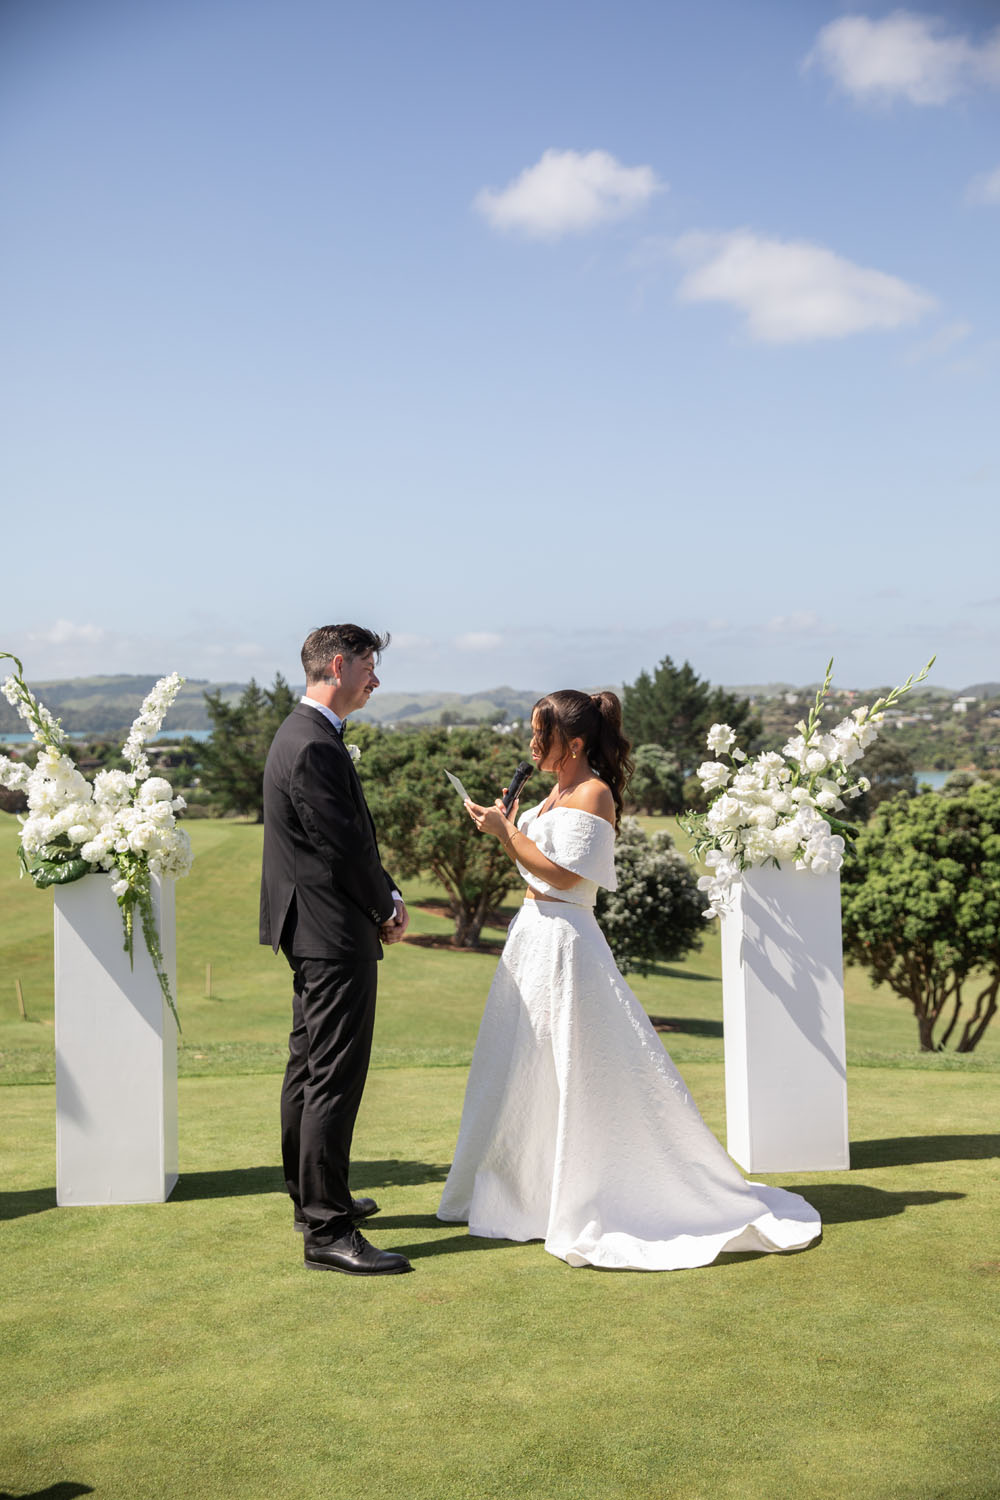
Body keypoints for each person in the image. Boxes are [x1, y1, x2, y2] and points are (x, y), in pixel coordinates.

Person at [437, 689, 821, 1271]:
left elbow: (565, 877)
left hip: (567, 943)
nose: (532, 744)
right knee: (525, 1064)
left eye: (541, 734)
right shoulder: (554, 792)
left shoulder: (593, 793)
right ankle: (527, 1195)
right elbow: (532, 869)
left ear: (576, 743)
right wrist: (510, 826)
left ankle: (591, 1191)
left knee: (574, 1065)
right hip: (532, 938)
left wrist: (505, 833)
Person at [260, 624, 412, 1276]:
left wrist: (384, 890)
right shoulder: (314, 745)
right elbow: (343, 847)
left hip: (312, 927)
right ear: (340, 665)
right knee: (333, 1078)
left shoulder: (307, 734)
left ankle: (314, 1198)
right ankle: (326, 1230)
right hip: (332, 931)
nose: (376, 681)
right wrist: (386, 906)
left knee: (309, 1066)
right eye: (371, 668)